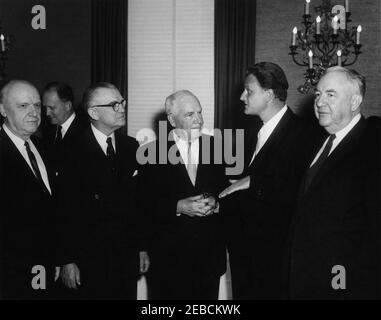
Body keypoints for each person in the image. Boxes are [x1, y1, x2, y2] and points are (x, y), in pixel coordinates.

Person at [219, 62, 316, 299]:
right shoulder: (253, 132)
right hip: (246, 253)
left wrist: (255, 181)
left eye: (249, 91)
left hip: (275, 256)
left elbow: (299, 190)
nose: (242, 96)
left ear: (270, 94)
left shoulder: (302, 134)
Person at [287, 67, 381, 299]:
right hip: (306, 277)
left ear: (354, 101)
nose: (319, 102)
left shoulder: (373, 146)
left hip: (346, 283)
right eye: (318, 94)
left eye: (331, 94)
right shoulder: (316, 142)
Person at [57, 82, 149, 299]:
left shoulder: (132, 147)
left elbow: (139, 203)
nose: (122, 108)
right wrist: (67, 260)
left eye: (122, 102)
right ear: (93, 112)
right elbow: (62, 211)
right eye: (114, 105)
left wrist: (142, 247)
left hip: (126, 258)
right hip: (88, 260)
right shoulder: (71, 150)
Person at [138, 90, 227, 300]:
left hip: (208, 258)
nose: (199, 120)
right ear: (171, 119)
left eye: (199, 112)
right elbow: (141, 205)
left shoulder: (218, 147)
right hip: (168, 260)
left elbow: (228, 194)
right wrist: (177, 207)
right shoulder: (150, 153)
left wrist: (217, 203)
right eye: (189, 115)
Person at [0, 80, 56, 299]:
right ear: (3, 109)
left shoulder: (44, 148)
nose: (34, 112)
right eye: (23, 106)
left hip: (45, 268)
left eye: (37, 105)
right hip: (10, 274)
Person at [42, 82, 88, 176]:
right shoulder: (49, 133)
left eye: (51, 107)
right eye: (45, 108)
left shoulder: (87, 132)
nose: (47, 113)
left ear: (67, 106)